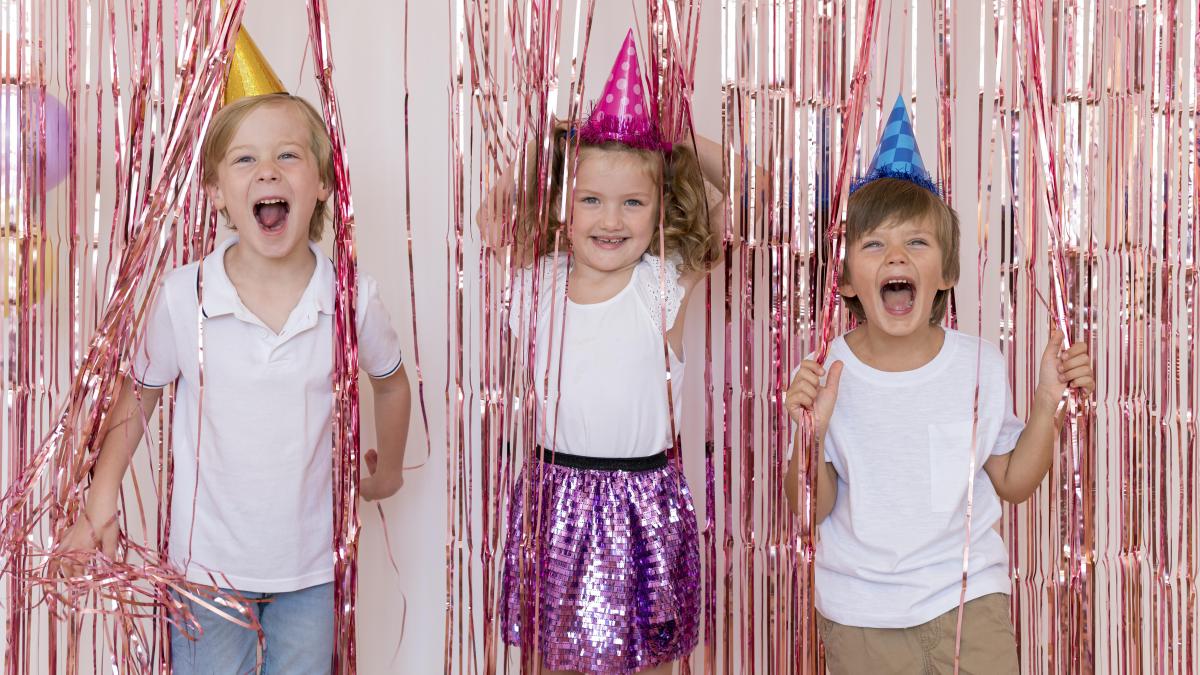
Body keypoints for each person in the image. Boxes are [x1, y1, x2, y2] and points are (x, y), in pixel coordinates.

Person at [58, 93, 411, 674]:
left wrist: (390, 471)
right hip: (206, 574)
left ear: (322, 183)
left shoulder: (350, 297)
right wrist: (101, 499)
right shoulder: (184, 296)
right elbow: (137, 397)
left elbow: (392, 383)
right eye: (245, 160)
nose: (268, 170)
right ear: (217, 193)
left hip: (311, 572)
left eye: (288, 155)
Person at [783, 97, 1095, 674]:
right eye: (873, 244)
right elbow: (809, 510)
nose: (895, 254)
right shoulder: (827, 373)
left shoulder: (978, 365)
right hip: (861, 615)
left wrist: (1048, 399)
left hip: (968, 603)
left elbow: (1013, 483)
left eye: (917, 243)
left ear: (946, 275)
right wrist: (811, 433)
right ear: (847, 279)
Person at [476, 30, 750, 675]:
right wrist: (555, 145)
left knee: (649, 662)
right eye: (591, 200)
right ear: (563, 207)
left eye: (633, 202)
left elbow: (755, 190)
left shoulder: (663, 283)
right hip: (554, 498)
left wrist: (676, 142)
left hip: (644, 501)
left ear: (660, 211)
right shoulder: (537, 280)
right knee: (550, 661)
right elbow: (492, 214)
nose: (611, 219)